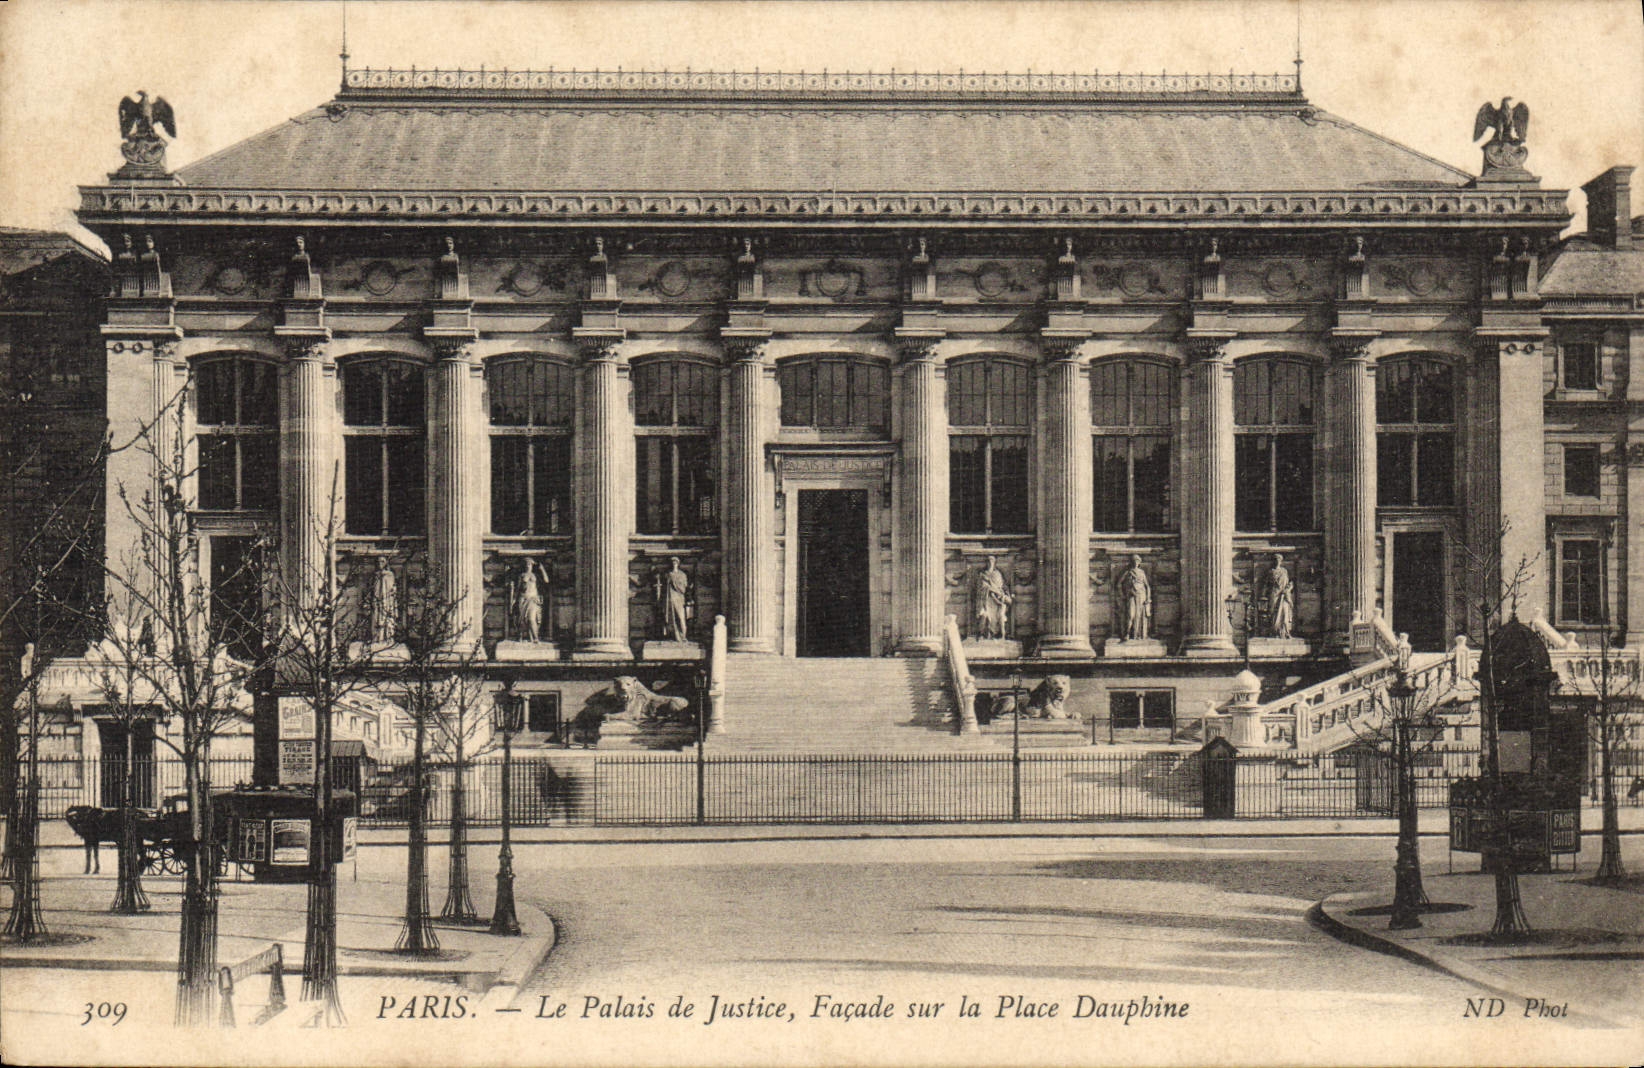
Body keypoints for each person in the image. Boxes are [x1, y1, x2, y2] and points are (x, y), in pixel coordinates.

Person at [974, 555, 1013, 640]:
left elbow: (1002, 586)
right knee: (985, 616)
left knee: (998, 617)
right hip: (986, 599)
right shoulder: (983, 574)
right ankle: (983, 634)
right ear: (986, 563)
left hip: (997, 600)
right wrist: (990, 589)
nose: (990, 564)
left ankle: (997, 635)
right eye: (988, 562)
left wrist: (1000, 594)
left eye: (992, 562)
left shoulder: (998, 574)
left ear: (994, 563)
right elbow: (981, 587)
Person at [511, 558, 547, 643]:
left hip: (533, 599)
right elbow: (518, 588)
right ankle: (521, 636)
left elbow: (546, 580)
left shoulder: (536, 575)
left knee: (531, 618)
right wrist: (514, 599)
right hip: (523, 599)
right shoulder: (522, 575)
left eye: (530, 564)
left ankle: (535, 637)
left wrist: (542, 570)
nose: (528, 566)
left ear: (532, 566)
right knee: (522, 619)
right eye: (526, 564)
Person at [1117, 555, 1151, 641]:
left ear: (1139, 562)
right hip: (1131, 595)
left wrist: (1148, 597)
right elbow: (1119, 584)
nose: (1136, 562)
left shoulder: (1142, 572)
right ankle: (1127, 633)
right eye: (1134, 560)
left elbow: (1147, 586)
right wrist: (1122, 594)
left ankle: (1136, 634)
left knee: (1138, 616)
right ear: (1131, 562)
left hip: (1141, 596)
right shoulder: (1128, 572)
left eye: (1137, 561)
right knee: (1131, 615)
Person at [658, 557, 690, 642]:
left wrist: (674, 581)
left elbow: (684, 587)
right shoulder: (668, 574)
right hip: (670, 598)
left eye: (675, 562)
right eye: (672, 562)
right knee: (671, 618)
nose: (674, 564)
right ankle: (675, 636)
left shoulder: (682, 574)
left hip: (679, 598)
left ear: (678, 563)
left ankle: (683, 635)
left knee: (681, 617)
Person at [1265, 553, 1295, 640]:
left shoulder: (1284, 571)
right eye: (1276, 559)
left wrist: (1287, 589)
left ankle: (1285, 632)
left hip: (1284, 595)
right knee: (1274, 613)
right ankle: (1275, 632)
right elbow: (1267, 584)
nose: (1277, 561)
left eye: (1279, 559)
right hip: (1275, 594)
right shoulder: (1271, 572)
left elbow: (1289, 583)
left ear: (1281, 561)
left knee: (1285, 613)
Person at [369, 559, 398, 645]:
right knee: (377, 618)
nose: (380, 564)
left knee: (387, 619)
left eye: (382, 562)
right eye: (378, 562)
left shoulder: (390, 575)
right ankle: (378, 638)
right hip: (378, 600)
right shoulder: (375, 575)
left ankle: (388, 637)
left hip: (387, 600)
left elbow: (392, 587)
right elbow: (373, 588)